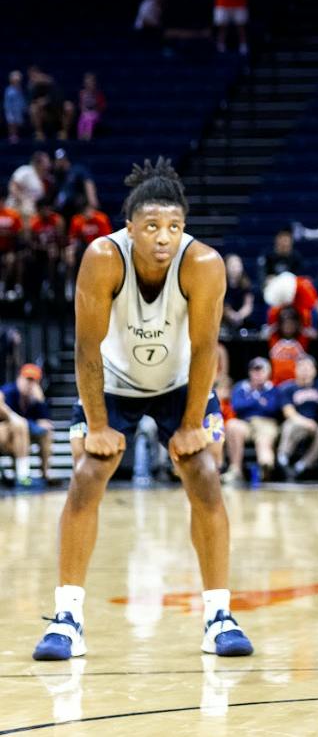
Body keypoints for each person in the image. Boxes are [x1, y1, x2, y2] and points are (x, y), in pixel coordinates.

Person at [32, 159, 252, 661]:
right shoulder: (102, 257)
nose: (163, 238)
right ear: (129, 228)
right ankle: (68, 618)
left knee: (204, 475)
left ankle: (219, 614)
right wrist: (100, 425)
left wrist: (193, 423)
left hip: (180, 381)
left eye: (174, 227)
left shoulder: (204, 264)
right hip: (113, 379)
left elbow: (204, 350)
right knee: (88, 474)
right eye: (151, 226)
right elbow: (86, 349)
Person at [274, 354, 318, 481]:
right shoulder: (287, 388)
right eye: (301, 367)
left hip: (316, 425)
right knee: (291, 424)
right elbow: (288, 412)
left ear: (315, 370)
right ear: (295, 370)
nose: (305, 371)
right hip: (297, 423)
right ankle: (282, 458)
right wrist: (306, 423)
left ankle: (302, 466)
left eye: (308, 367)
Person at [1, 362, 55, 486]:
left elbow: (45, 422)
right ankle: (22, 475)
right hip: (4, 432)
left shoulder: (34, 397)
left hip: (22, 435)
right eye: (27, 379)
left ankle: (45, 474)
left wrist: (40, 400)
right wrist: (13, 417)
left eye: (33, 381)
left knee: (46, 432)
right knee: (20, 425)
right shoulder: (9, 390)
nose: (29, 384)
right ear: (20, 378)